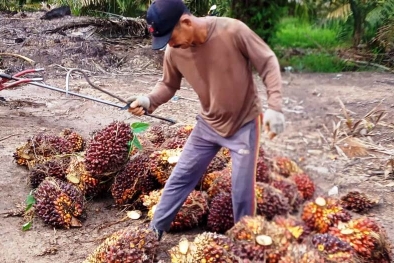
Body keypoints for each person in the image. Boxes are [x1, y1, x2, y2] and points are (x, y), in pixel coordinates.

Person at [128, 0, 285, 241]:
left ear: (186, 22)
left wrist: (275, 107)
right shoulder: (175, 51)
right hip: (208, 124)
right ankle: (155, 231)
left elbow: (268, 62)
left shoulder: (233, 31)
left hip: (243, 124)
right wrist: (149, 101)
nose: (170, 43)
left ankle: (244, 242)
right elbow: (168, 85)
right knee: (181, 176)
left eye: (171, 36)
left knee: (242, 190)